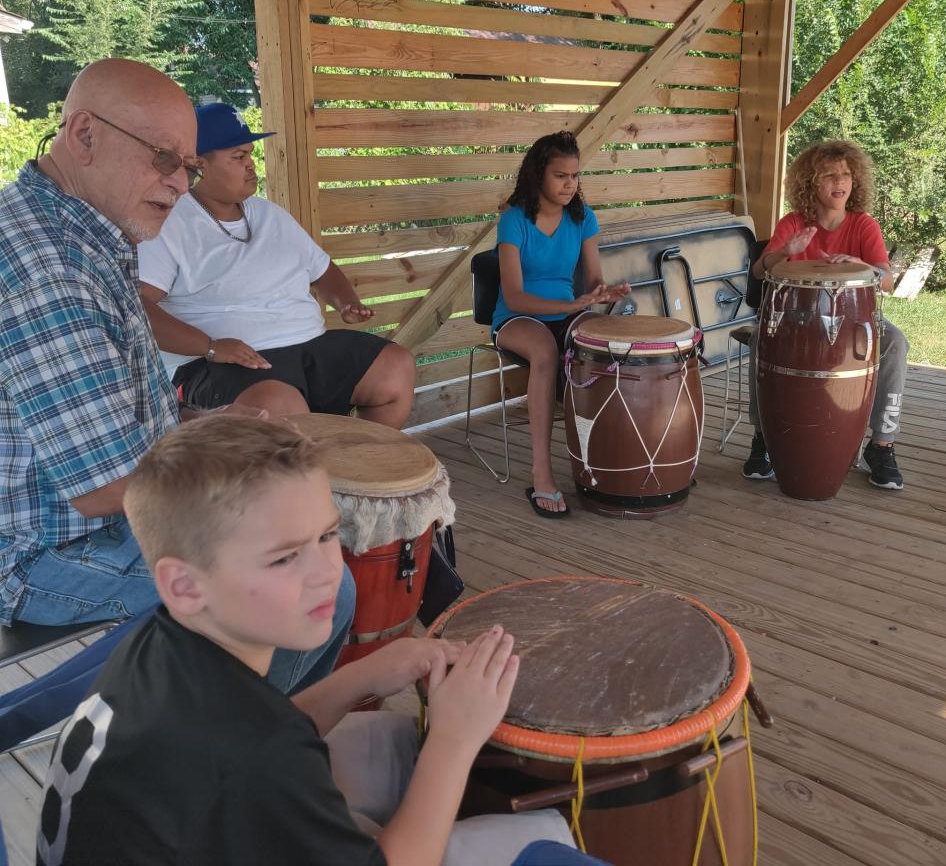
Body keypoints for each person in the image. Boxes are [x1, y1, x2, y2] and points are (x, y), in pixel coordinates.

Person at [36, 417, 581, 866]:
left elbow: (257, 737)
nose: (326, 571)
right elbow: (263, 755)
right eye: (283, 557)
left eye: (326, 535)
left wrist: (362, 676)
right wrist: (455, 738)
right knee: (546, 846)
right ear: (184, 584)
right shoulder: (259, 755)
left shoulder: (157, 645)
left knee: (385, 747)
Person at [0, 59, 353, 693]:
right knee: (317, 582)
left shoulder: (87, 236)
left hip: (100, 515)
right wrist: (241, 474)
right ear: (84, 134)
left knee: (300, 540)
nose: (178, 182)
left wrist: (212, 424)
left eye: (188, 167)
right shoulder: (47, 267)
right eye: (164, 158)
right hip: (43, 553)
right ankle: (230, 756)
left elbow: (125, 420)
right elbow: (106, 485)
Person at [138, 102, 415, 427]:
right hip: (219, 363)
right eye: (238, 157)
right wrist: (210, 347)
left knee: (395, 367)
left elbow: (321, 269)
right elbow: (138, 308)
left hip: (307, 344)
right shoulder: (171, 223)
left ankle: (353, 471)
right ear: (199, 166)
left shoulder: (270, 215)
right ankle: (312, 475)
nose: (251, 166)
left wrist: (345, 302)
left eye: (250, 154)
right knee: (277, 411)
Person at [742, 140, 909, 490]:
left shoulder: (863, 225)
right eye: (830, 174)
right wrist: (786, 251)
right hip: (796, 318)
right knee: (761, 340)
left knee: (895, 342)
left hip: (852, 319)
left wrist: (862, 264)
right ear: (810, 183)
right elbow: (760, 271)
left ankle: (882, 445)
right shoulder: (792, 223)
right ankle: (765, 440)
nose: (840, 181)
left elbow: (888, 281)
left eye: (846, 174)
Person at [492, 132, 630, 518]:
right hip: (517, 318)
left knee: (602, 343)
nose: (570, 184)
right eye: (560, 176)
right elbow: (515, 295)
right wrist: (570, 303)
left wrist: (604, 292)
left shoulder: (583, 218)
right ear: (538, 175)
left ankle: (606, 458)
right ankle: (542, 473)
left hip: (568, 310)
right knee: (546, 351)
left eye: (574, 176)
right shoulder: (513, 221)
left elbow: (591, 281)